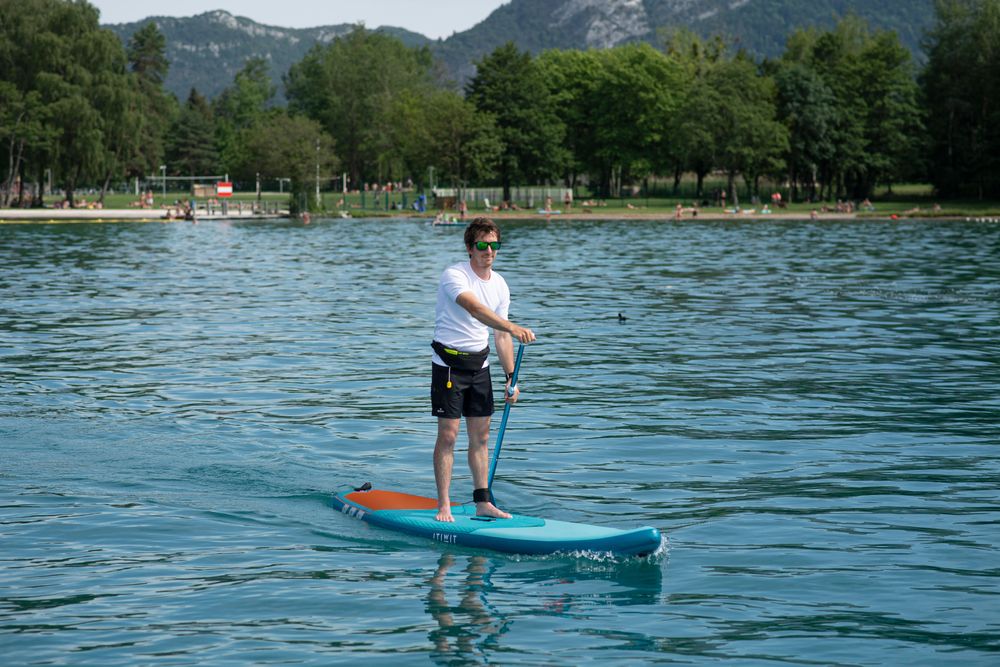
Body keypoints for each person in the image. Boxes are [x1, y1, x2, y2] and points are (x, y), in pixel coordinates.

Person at [431, 217, 536, 523]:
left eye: (493, 245)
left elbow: (501, 336)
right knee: (448, 436)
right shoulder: (454, 275)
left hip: (480, 367)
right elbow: (477, 310)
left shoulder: (501, 284)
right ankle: (444, 505)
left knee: (481, 437)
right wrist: (513, 326)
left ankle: (483, 502)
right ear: (469, 247)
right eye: (481, 244)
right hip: (448, 366)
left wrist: (509, 377)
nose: (488, 250)